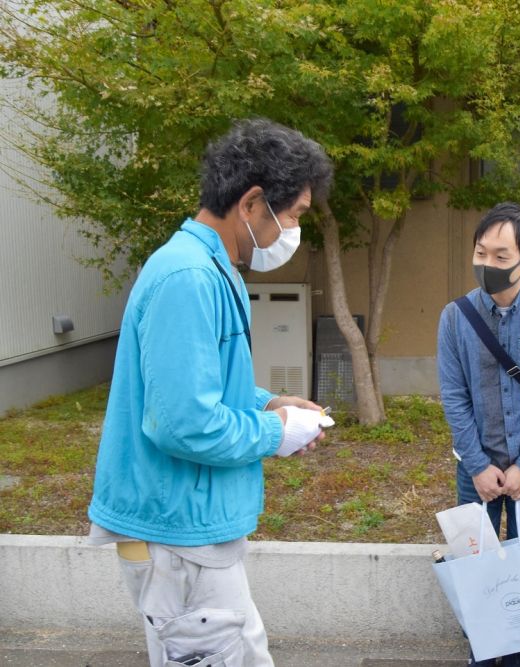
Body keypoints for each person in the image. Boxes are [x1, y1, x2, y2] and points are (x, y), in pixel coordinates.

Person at [87, 119, 334, 667]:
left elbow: (200, 386)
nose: (291, 230)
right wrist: (277, 434)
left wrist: (268, 404)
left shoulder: (205, 269)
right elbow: (184, 422)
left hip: (187, 529)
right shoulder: (189, 278)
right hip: (177, 533)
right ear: (252, 204)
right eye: (291, 215)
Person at [437, 202, 520, 667]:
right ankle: (480, 654)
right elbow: (454, 397)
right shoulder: (455, 317)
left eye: (501, 256)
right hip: (473, 472)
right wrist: (477, 465)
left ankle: (516, 658)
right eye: (481, 253)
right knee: (475, 573)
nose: (488, 265)